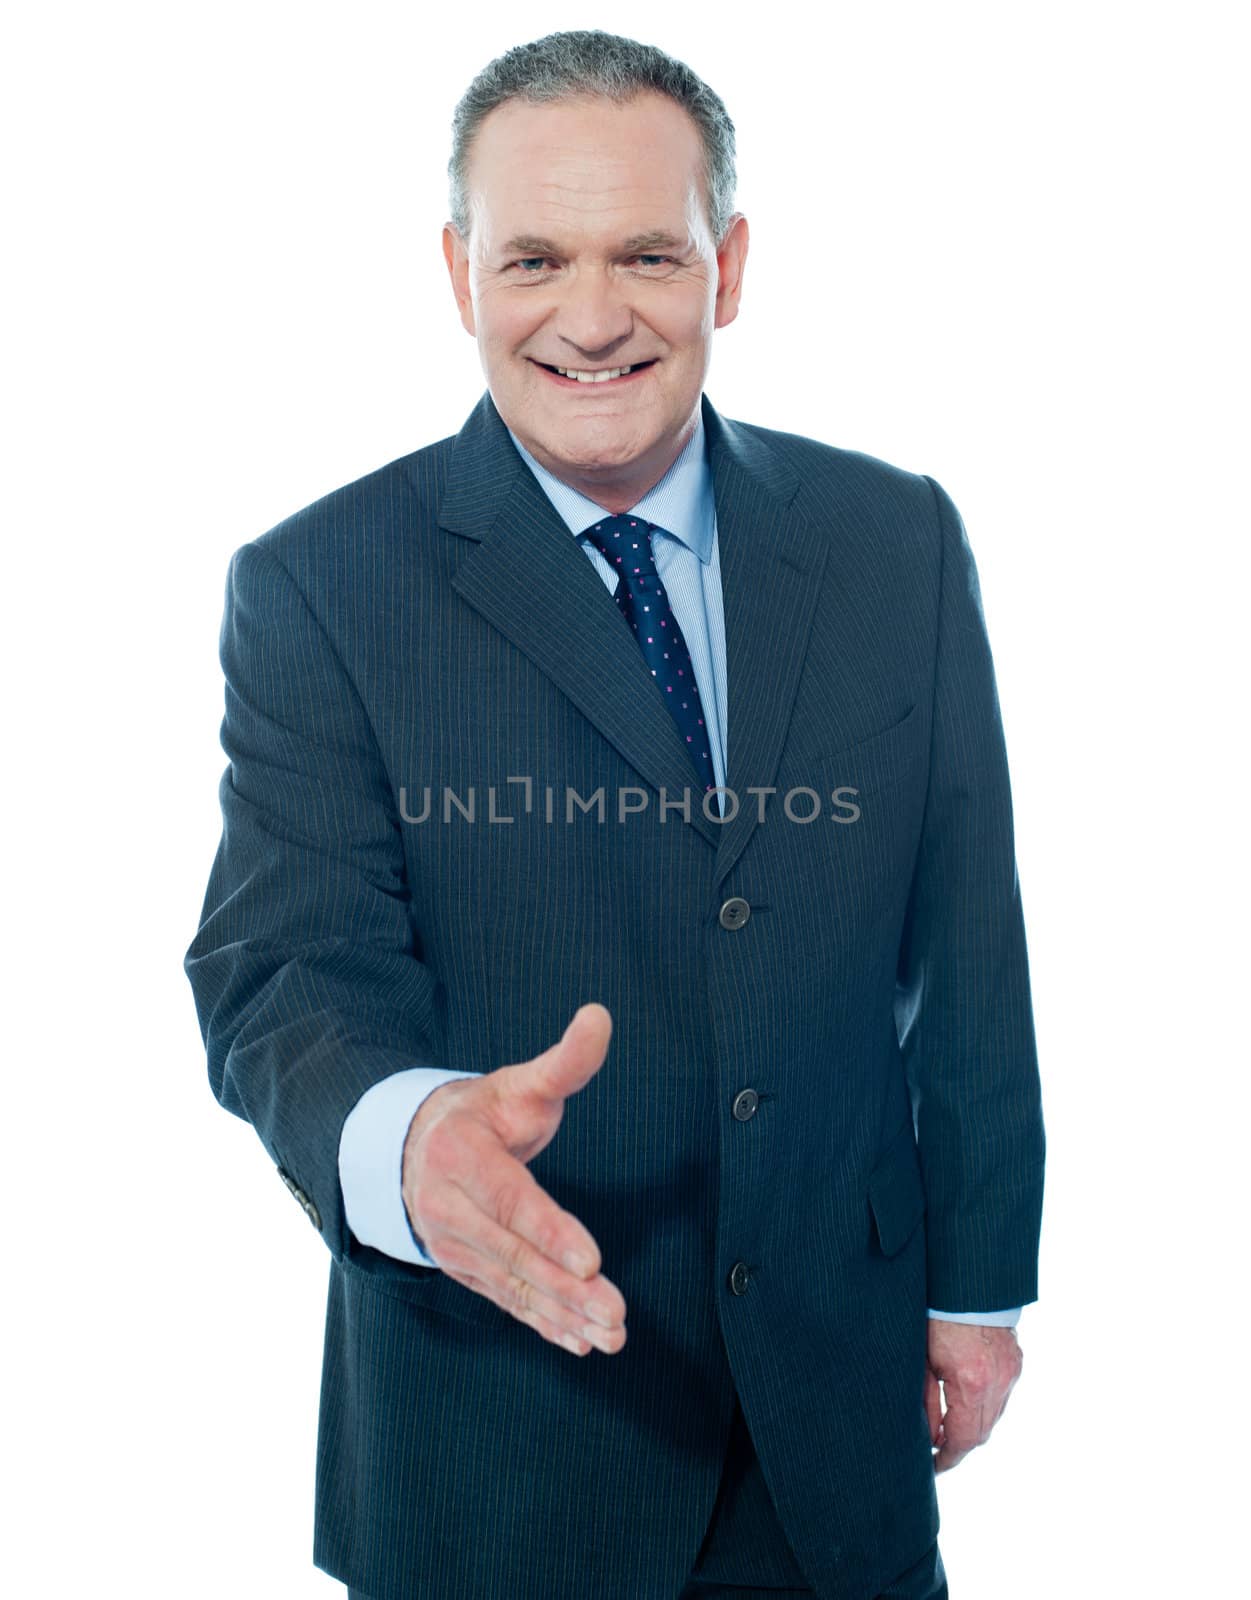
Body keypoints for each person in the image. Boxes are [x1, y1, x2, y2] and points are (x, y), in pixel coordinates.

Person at [184, 28, 1044, 1600]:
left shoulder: (894, 539)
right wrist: (407, 1137)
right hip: (502, 1439)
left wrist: (980, 1284)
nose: (592, 319)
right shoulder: (320, 585)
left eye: (648, 251)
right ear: (459, 274)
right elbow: (283, 973)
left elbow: (967, 941)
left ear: (727, 264)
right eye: (535, 260)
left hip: (837, 1426)